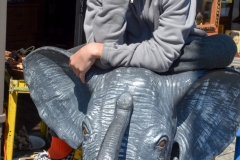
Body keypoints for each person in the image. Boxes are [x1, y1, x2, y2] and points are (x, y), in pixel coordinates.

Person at [34, 0, 237, 159]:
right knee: (74, 61)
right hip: (119, 55)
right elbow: (104, 51)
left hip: (167, 54)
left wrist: (98, 51)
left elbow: (162, 54)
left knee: (223, 48)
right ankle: (59, 148)